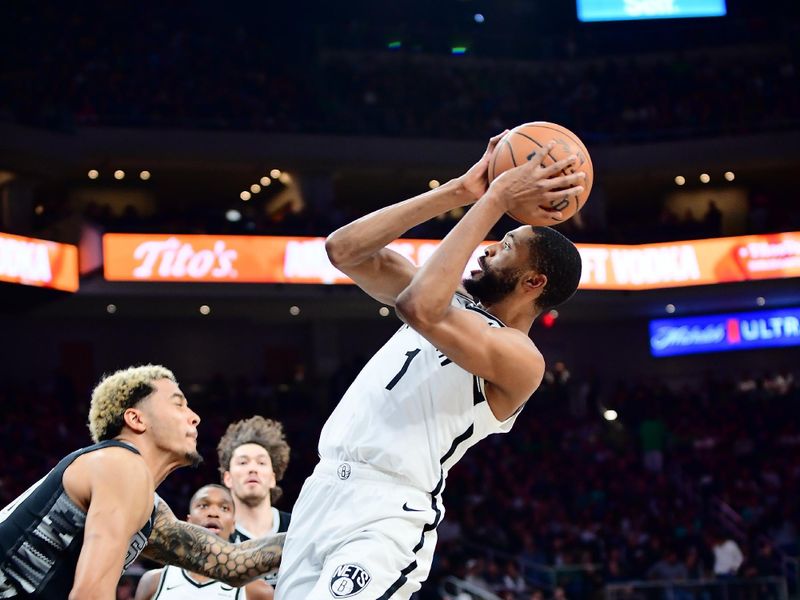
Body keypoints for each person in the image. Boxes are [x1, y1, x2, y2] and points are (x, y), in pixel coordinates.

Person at [275, 134, 585, 599]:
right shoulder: (453, 299)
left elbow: (418, 306)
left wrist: (498, 198)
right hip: (320, 492)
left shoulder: (522, 359)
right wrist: (461, 191)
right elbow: (344, 250)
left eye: (503, 245)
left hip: (386, 512)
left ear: (533, 282)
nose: (485, 249)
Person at [0, 365, 283, 599]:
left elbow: (231, 564)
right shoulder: (121, 465)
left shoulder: (141, 500)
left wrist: (317, 530)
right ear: (136, 419)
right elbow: (90, 594)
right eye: (178, 404)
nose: (195, 417)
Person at [134, 484, 272, 599]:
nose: (213, 513)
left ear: (233, 525)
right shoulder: (153, 581)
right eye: (203, 506)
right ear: (188, 521)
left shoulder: (258, 591)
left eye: (224, 508)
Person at [217, 416, 292, 590]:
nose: (253, 468)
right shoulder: (217, 534)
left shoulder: (297, 527)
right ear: (227, 478)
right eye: (243, 462)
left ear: (273, 478)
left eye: (261, 462)